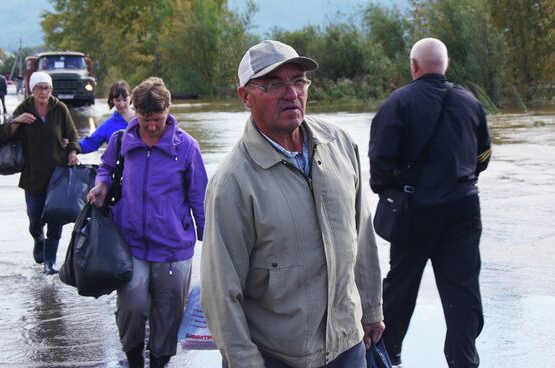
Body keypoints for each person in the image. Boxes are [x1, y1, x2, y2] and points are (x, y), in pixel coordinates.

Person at [201, 40, 385, 368]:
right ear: (245, 96)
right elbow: (220, 293)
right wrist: (244, 362)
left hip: (348, 345)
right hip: (279, 356)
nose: (291, 93)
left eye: (298, 81)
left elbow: (362, 234)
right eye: (274, 84)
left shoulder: (339, 144)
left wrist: (371, 310)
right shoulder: (232, 182)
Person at [368, 38, 492, 368]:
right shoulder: (469, 101)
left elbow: (379, 161)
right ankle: (463, 360)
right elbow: (484, 155)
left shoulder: (398, 103)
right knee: (463, 291)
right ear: (445, 64)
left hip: (413, 212)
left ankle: (387, 356)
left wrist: (388, 188)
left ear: (414, 66)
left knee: (400, 287)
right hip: (463, 211)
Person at [87, 77, 207, 368]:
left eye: (158, 119)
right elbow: (106, 167)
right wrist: (101, 184)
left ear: (168, 110)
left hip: (173, 248)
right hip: (131, 244)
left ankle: (158, 363)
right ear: (135, 112)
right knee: (132, 308)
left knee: (167, 316)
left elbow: (199, 198)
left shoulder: (187, 147)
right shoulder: (121, 140)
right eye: (145, 119)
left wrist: (211, 242)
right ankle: (133, 360)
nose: (152, 125)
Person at [0, 71, 81, 275]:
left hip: (58, 175)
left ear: (51, 89)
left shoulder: (59, 109)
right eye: (39, 88)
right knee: (35, 219)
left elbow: (72, 135)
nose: (44, 92)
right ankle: (38, 239)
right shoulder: (24, 108)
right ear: (32, 89)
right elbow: (2, 134)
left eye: (47, 88)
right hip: (33, 175)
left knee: (56, 219)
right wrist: (17, 121)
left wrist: (72, 152)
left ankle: (50, 263)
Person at [79, 80, 133, 154]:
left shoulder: (141, 119)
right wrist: (73, 147)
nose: (122, 104)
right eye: (118, 100)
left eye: (125, 99)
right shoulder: (108, 125)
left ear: (131, 97)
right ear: (112, 101)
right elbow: (91, 143)